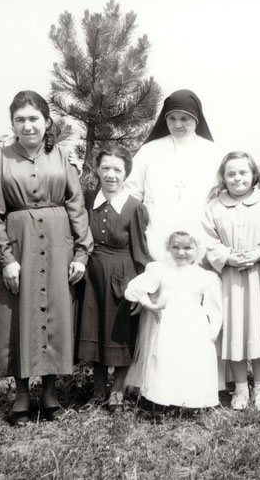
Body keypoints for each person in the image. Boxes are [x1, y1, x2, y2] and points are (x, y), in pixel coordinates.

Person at [0, 90, 93, 426]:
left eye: (34, 118)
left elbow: (77, 206)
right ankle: (20, 397)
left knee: (54, 315)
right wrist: (6, 259)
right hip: (20, 245)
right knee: (19, 315)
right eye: (20, 120)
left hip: (59, 245)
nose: (27, 125)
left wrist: (82, 253)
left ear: (47, 122)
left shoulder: (62, 156)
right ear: (12, 124)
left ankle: (50, 394)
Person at [202, 152, 260, 412]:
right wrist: (227, 257)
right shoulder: (214, 206)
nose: (237, 178)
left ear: (254, 175)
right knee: (234, 328)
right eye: (231, 174)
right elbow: (208, 240)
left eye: (243, 172)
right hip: (230, 276)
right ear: (223, 177)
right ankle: (240, 388)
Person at [76, 145, 151, 413]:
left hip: (122, 279)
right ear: (97, 170)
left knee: (120, 334)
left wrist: (141, 291)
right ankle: (98, 392)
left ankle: (117, 392)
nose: (111, 175)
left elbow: (141, 254)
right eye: (105, 168)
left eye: (117, 170)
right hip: (91, 279)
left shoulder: (134, 207)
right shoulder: (87, 201)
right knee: (94, 331)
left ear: (126, 174)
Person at [124, 228, 222, 409]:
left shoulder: (205, 277)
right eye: (175, 247)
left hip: (193, 325)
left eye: (187, 248)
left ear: (198, 249)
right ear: (167, 248)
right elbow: (134, 288)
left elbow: (214, 307)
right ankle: (162, 398)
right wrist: (148, 304)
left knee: (190, 359)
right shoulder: (160, 270)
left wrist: (213, 329)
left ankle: (190, 399)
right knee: (165, 358)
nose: (181, 253)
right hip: (167, 324)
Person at [125, 89, 223, 259]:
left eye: (184, 118)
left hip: (200, 235)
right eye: (172, 118)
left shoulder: (213, 153)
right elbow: (131, 193)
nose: (177, 125)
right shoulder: (149, 151)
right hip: (156, 235)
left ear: (196, 119)